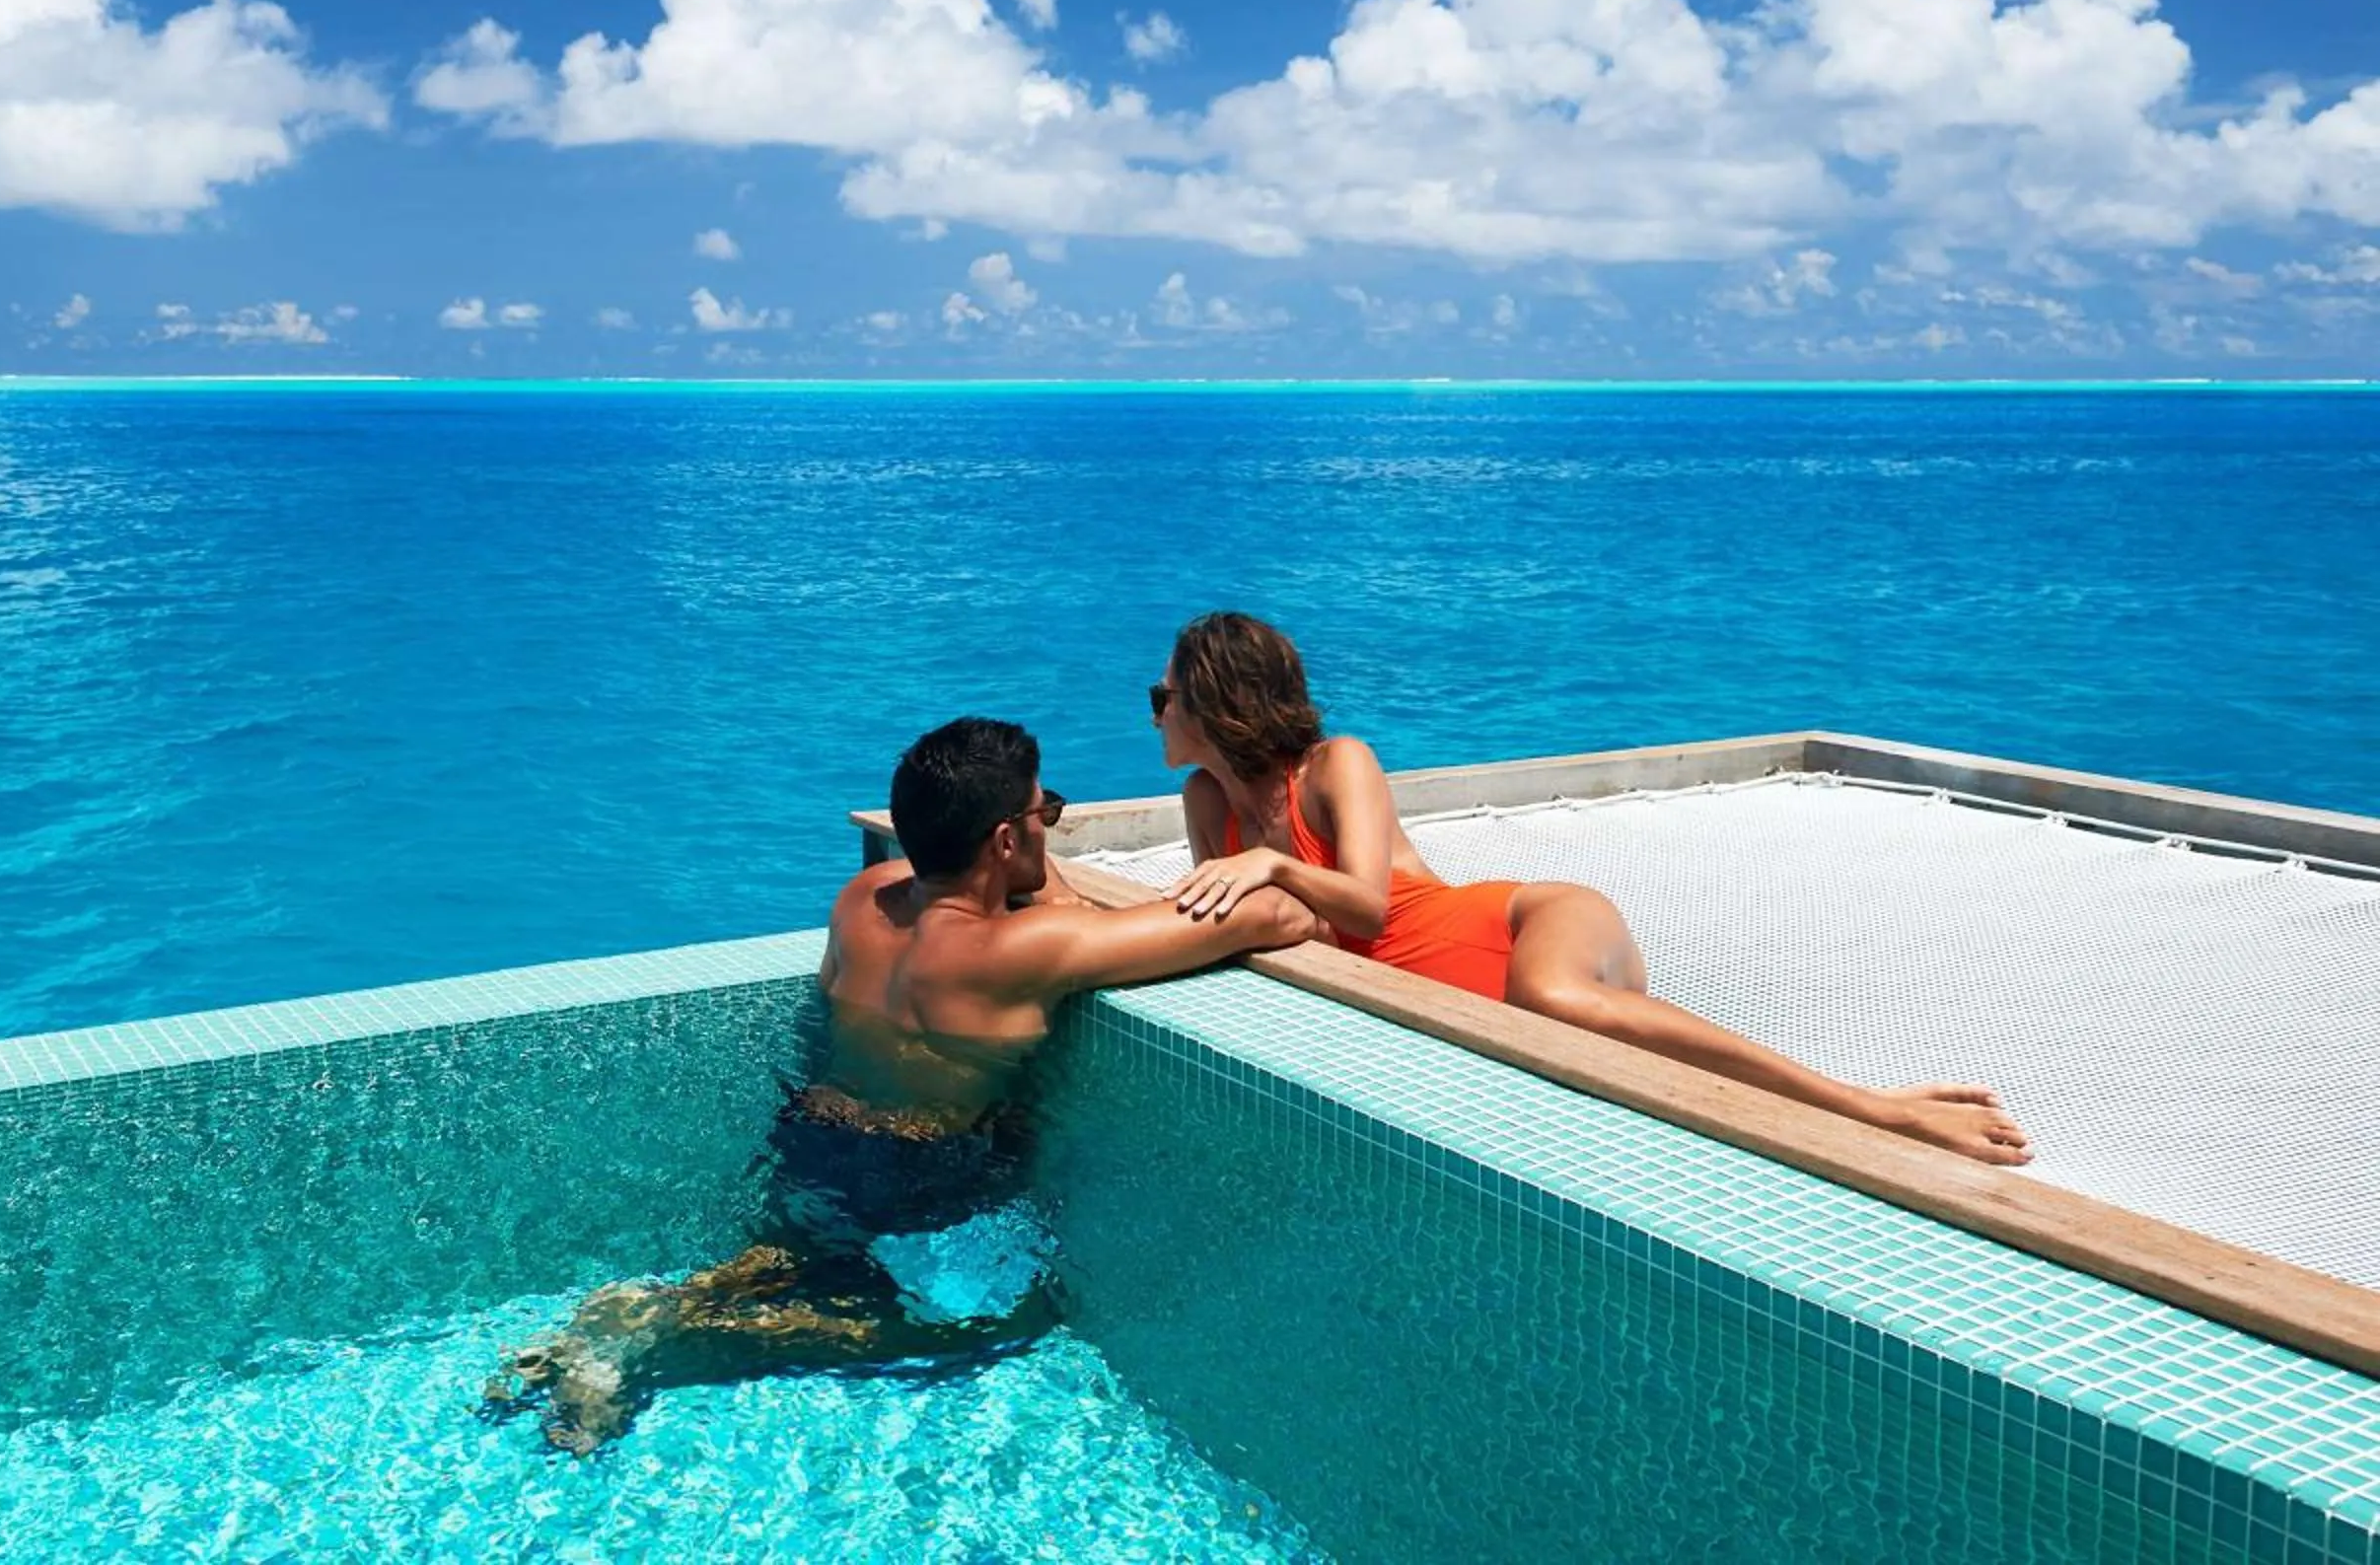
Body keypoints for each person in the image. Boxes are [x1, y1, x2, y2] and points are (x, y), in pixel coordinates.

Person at [487, 715, 1320, 1453]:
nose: (1052, 829)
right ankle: (674, 1348)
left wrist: (1031, 870)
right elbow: (1282, 918)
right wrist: (1257, 869)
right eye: (1047, 814)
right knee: (970, 1330)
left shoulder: (862, 898)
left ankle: (654, 1311)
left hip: (811, 1134)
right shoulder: (1024, 952)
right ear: (1004, 839)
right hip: (915, 1170)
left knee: (789, 1254)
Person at [1152, 612, 2033, 1167]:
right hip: (1464, 997)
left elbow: (1367, 908)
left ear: (1216, 704)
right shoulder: (1207, 802)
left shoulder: (1336, 766)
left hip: (1525, 925)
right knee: (1550, 1020)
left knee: (1553, 999)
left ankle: (1872, 1109)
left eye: (1165, 696)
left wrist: (1273, 865)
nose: (1155, 711)